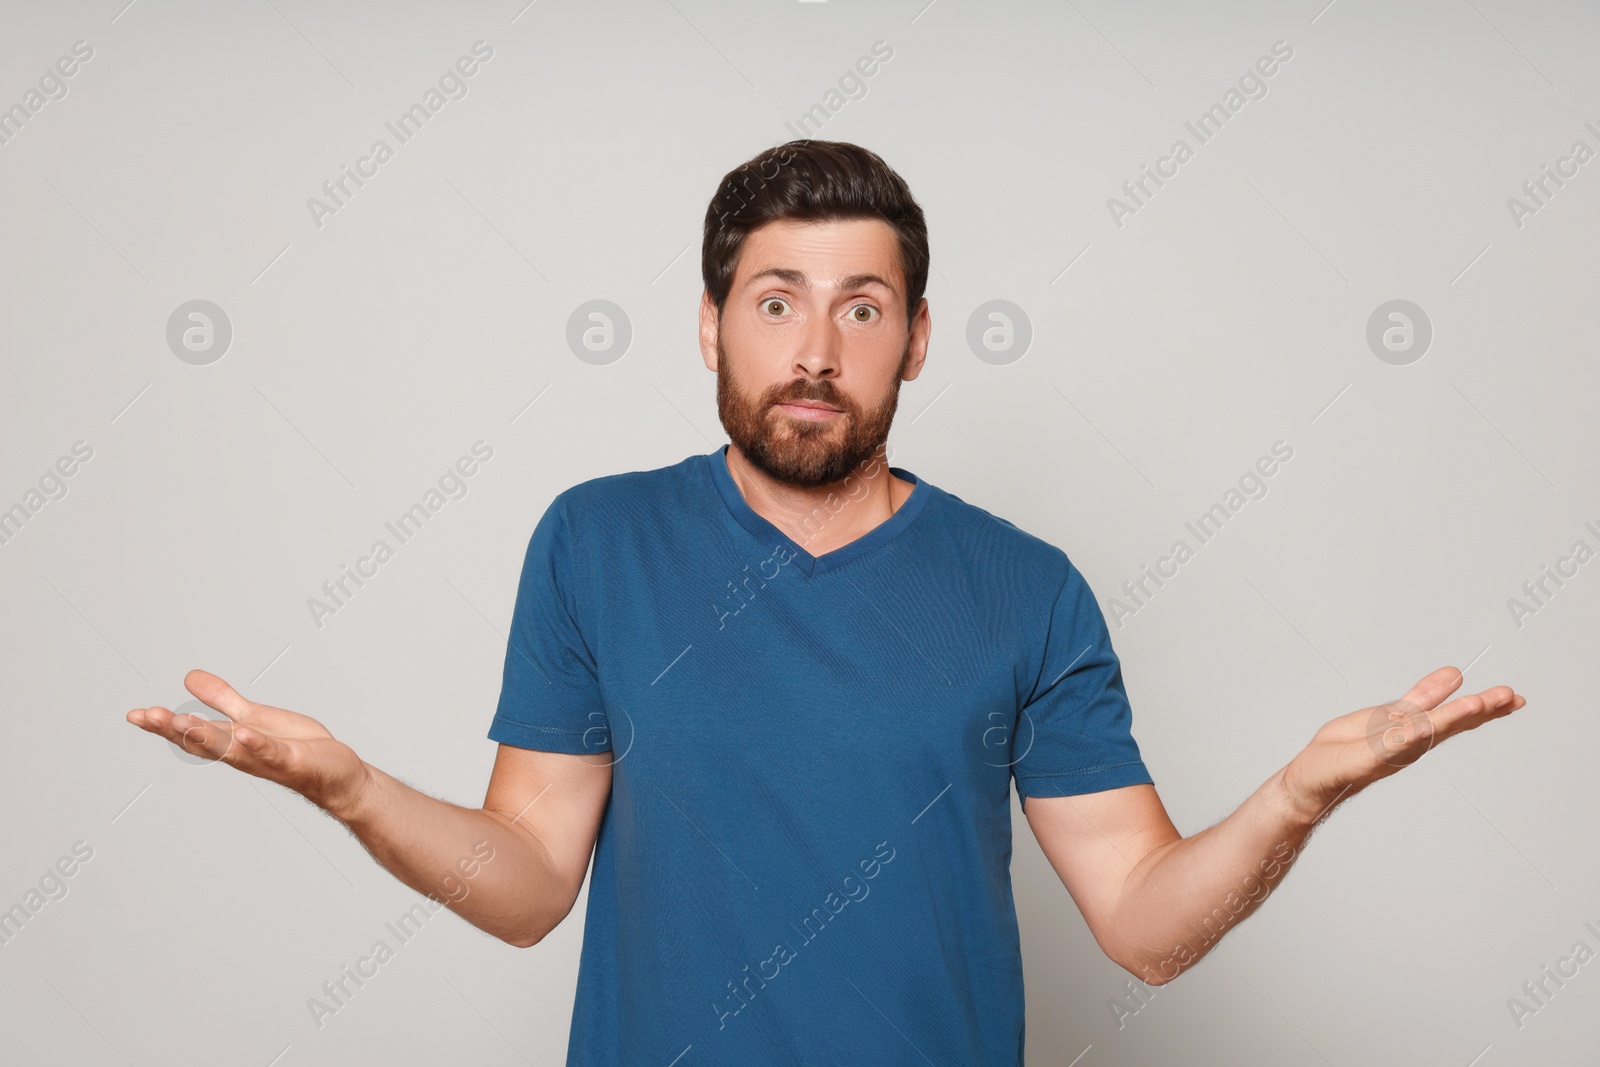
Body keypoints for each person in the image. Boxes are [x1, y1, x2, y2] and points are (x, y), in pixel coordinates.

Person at [126, 140, 1525, 1065]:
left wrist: (1295, 798)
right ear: (709, 322)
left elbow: (1148, 929)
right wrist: (349, 786)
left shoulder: (1025, 588)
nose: (814, 349)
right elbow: (529, 883)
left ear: (915, 338)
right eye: (776, 300)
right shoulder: (594, 542)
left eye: (862, 308)